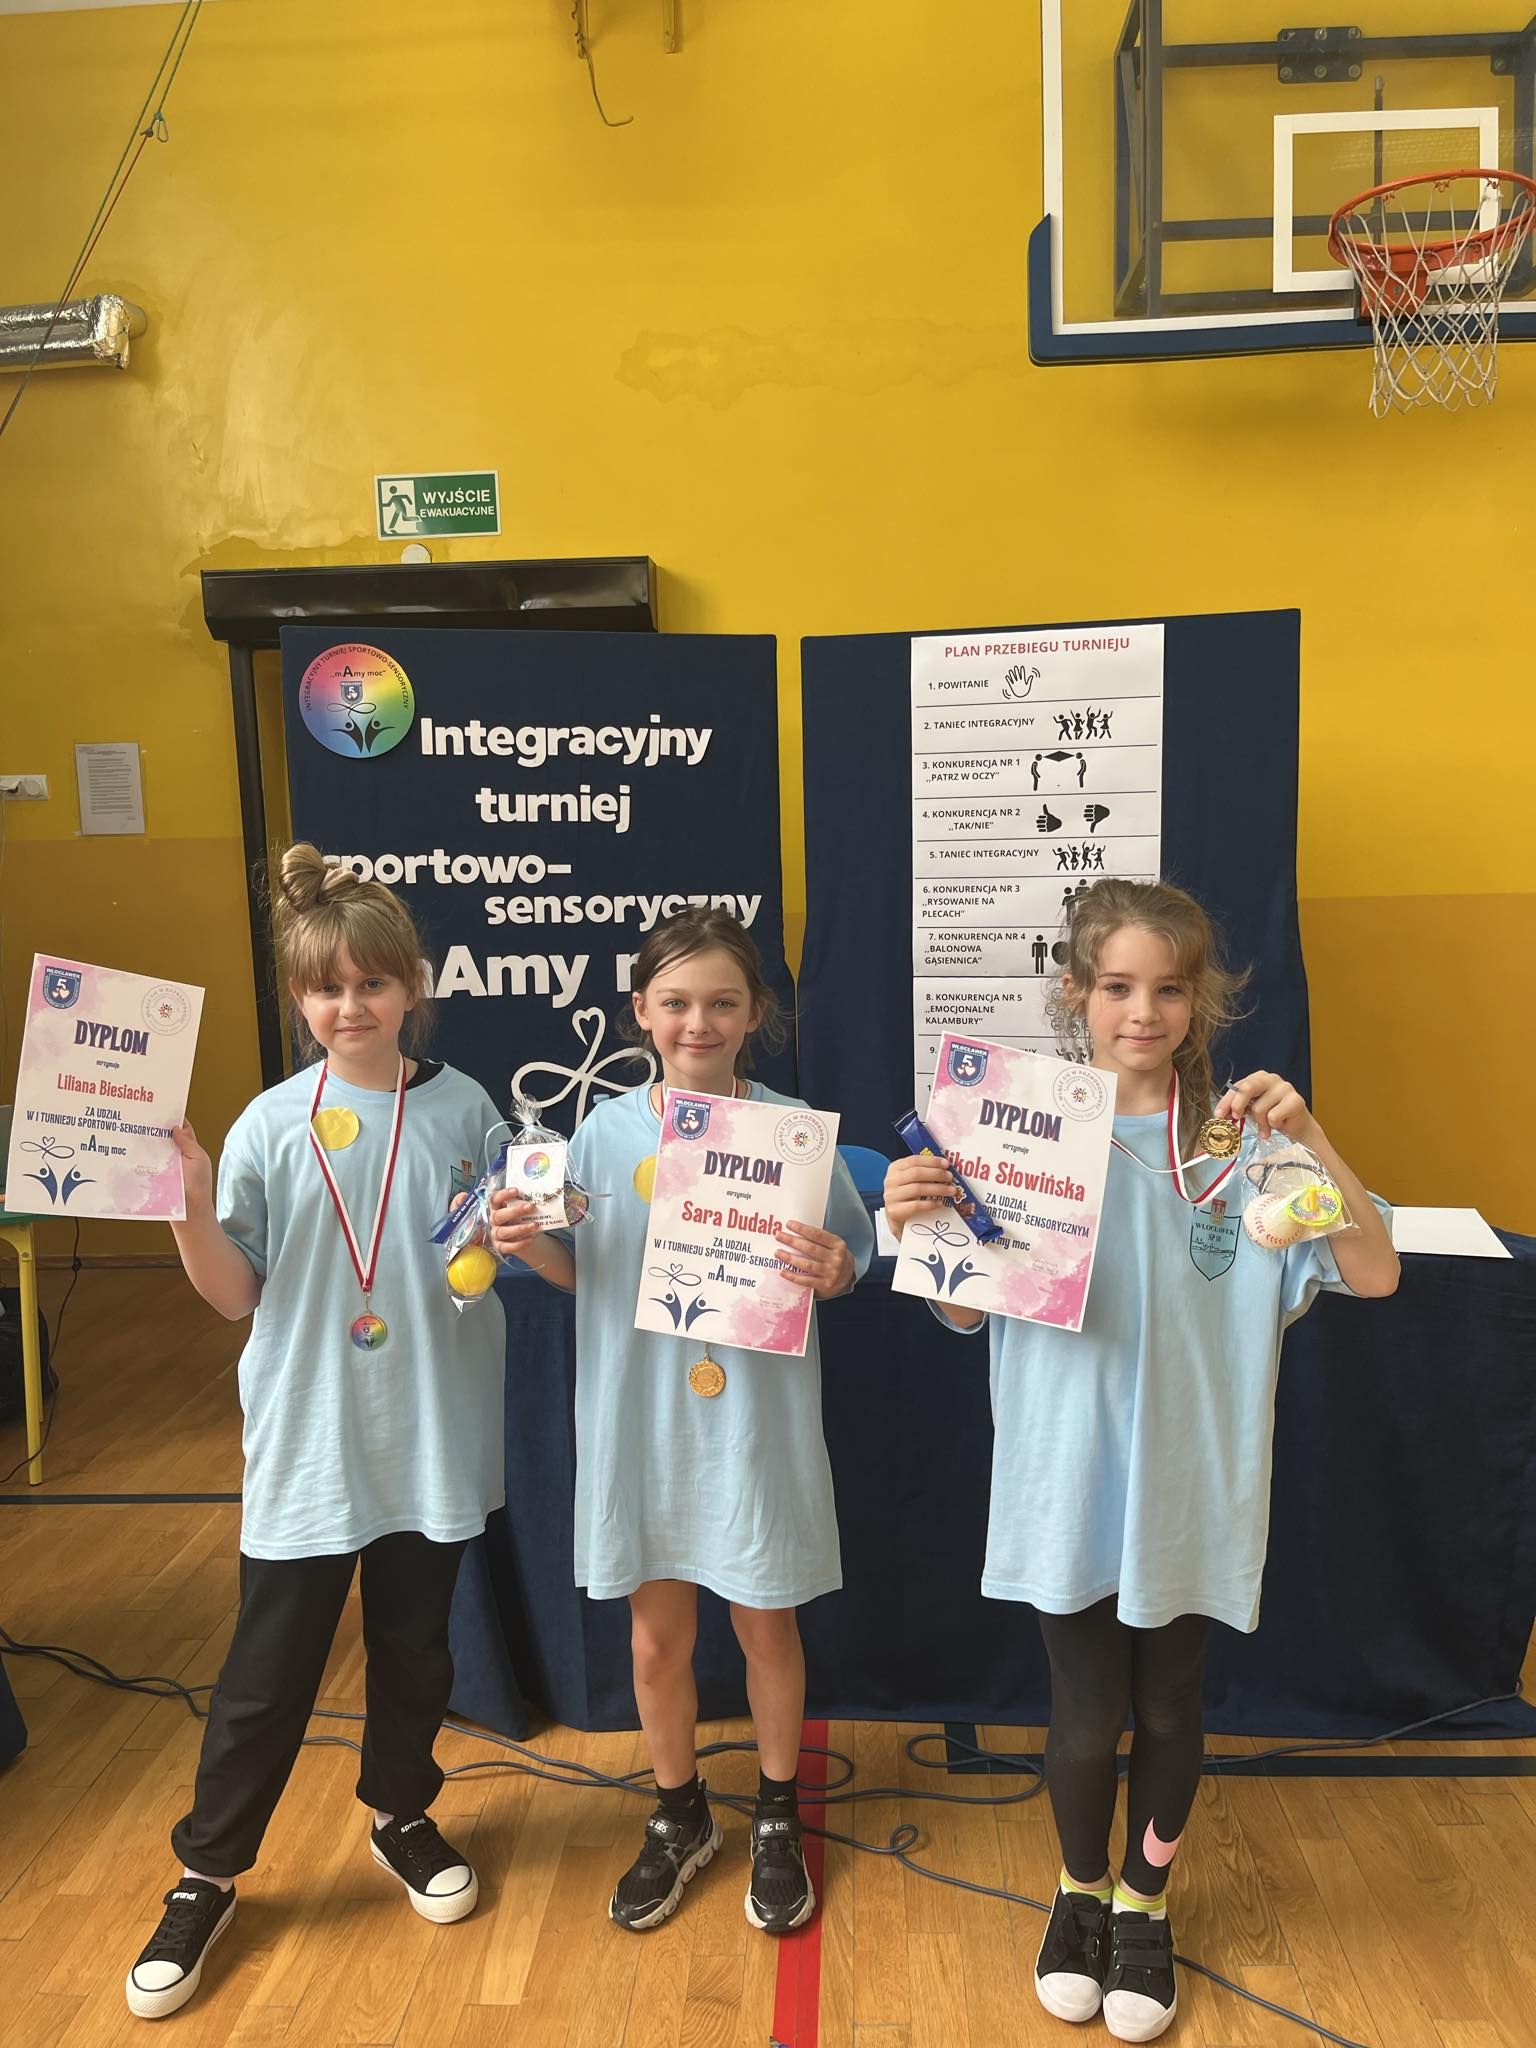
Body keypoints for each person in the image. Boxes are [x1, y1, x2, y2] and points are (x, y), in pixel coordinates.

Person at [883, 877, 1397, 2043]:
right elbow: (961, 1310)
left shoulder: (1239, 1146)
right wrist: (921, 1216)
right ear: (1076, 993)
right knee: (1083, 1709)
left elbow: (1375, 1272)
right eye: (1117, 985)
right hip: (1065, 1474)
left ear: (1200, 999)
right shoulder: (1015, 1132)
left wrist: (1310, 1135)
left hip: (1192, 1482)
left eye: (1170, 988)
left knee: (1168, 1702)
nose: (1144, 1010)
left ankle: (1144, 1902)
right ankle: (1078, 1891)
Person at [125, 845, 507, 2020]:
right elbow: (233, 1293)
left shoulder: (466, 1107)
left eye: (372, 982)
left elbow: (491, 1250)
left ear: (412, 985)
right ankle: (206, 1871)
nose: (351, 1006)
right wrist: (189, 1207)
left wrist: (531, 1222)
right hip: (309, 1438)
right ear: (299, 998)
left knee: (416, 1647)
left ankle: (400, 1809)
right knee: (268, 1670)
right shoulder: (266, 1123)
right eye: (326, 987)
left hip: (430, 1431)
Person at [489, 908, 873, 1936]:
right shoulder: (601, 1135)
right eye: (676, 1003)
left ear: (754, 1013)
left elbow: (848, 1257)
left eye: (721, 1003)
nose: (698, 1023)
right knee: (656, 1640)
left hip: (756, 1418)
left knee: (766, 1625)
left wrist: (841, 1268)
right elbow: (584, 1272)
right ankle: (679, 1812)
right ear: (641, 1012)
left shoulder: (793, 1131)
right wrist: (528, 1245)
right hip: (641, 1415)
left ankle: (778, 1813)